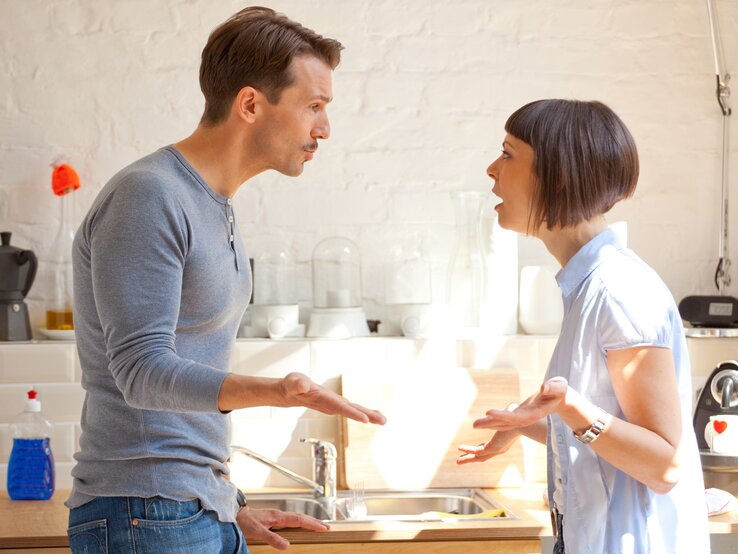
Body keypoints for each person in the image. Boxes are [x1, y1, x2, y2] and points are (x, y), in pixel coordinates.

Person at [66, 7, 385, 553]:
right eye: (313, 106)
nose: (324, 128)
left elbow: (186, 370)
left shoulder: (212, 204)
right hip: (146, 512)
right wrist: (278, 393)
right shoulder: (150, 196)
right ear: (251, 105)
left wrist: (223, 502)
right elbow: (141, 372)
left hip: (187, 508)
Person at [457, 99, 710, 553]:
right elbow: (608, 439)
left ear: (557, 175)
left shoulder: (618, 292)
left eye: (509, 153)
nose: (492, 170)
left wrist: (570, 409)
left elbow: (665, 465)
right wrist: (530, 423)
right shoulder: (590, 286)